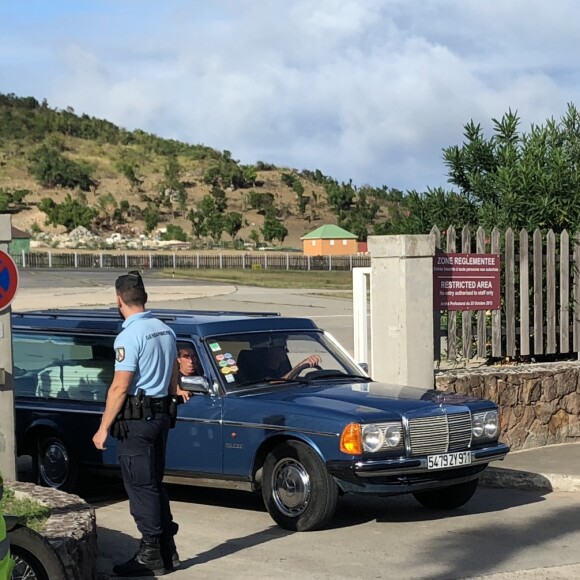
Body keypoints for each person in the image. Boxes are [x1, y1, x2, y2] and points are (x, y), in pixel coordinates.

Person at [92, 271, 180, 577]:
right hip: (160, 417)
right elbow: (173, 372)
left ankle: (150, 554)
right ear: (144, 298)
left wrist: (103, 427)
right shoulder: (165, 330)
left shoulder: (129, 336)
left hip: (137, 423)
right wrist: (172, 392)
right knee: (154, 483)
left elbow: (119, 387)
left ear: (119, 300)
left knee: (140, 487)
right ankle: (168, 550)